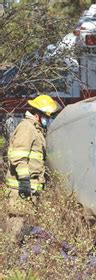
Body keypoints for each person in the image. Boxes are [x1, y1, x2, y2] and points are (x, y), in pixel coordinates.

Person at [2, 95, 60, 241]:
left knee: (26, 232)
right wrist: (24, 181)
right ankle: (10, 261)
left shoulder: (37, 130)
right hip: (20, 191)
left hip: (30, 191)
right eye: (47, 116)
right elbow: (18, 156)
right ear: (37, 115)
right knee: (16, 231)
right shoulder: (26, 128)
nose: (49, 119)